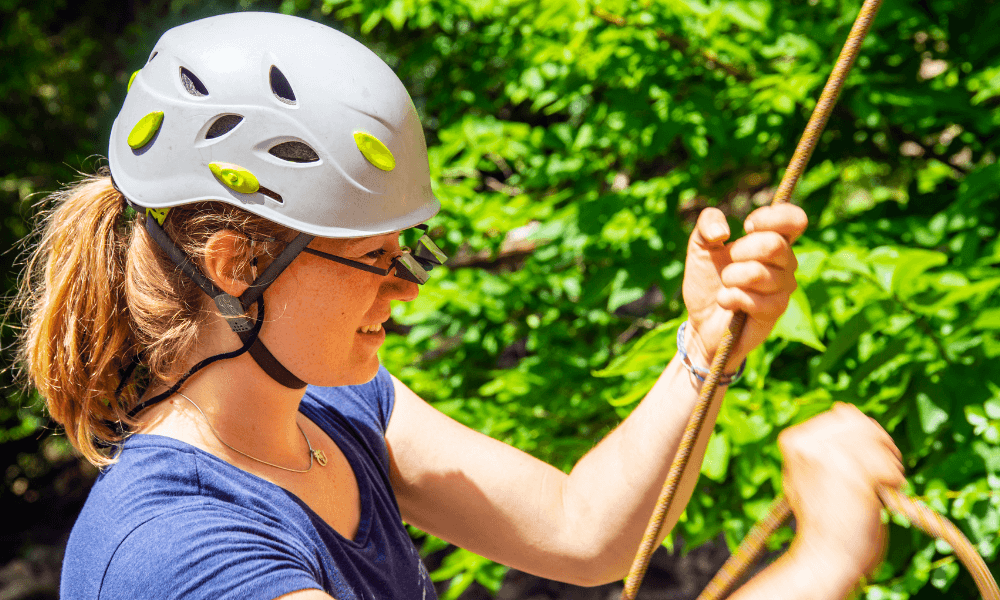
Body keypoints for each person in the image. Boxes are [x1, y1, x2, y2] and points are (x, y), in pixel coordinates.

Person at [15, 11, 903, 600]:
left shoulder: (334, 411)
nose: (409, 285)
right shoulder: (180, 556)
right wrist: (824, 558)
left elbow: (584, 529)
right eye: (374, 257)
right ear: (239, 264)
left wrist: (705, 350)